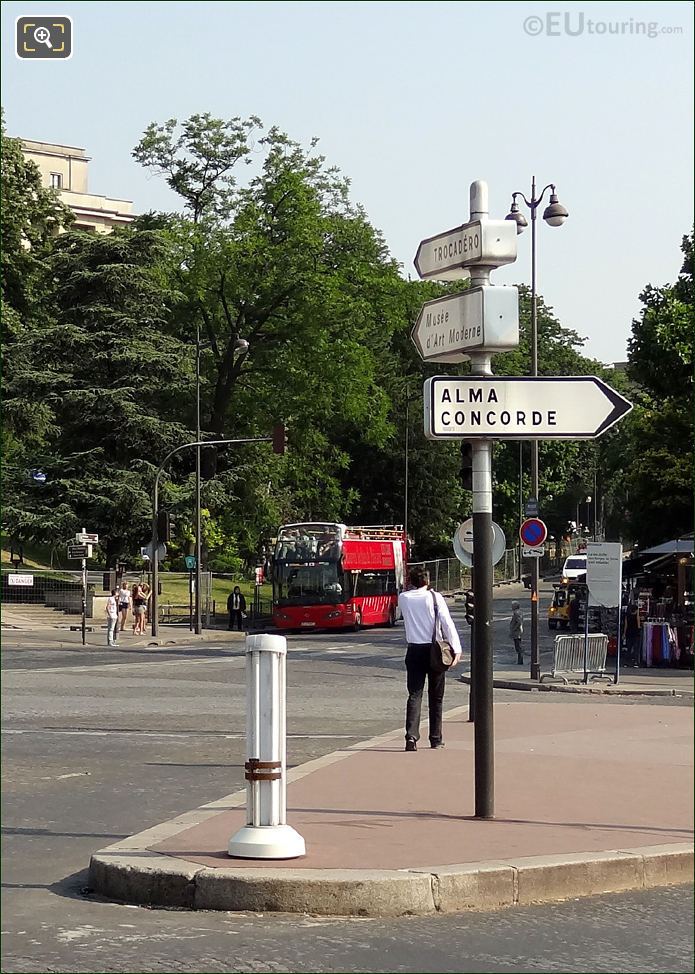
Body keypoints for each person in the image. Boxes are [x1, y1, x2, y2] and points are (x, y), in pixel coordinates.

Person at [397, 568, 462, 752]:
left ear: (411, 581)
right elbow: (447, 623)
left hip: (414, 650)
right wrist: (456, 649)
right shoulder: (434, 597)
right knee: (436, 697)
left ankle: (411, 737)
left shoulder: (404, 598)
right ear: (427, 580)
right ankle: (435, 738)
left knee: (414, 694)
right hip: (434, 651)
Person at [623, 600, 642, 667]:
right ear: (636, 610)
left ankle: (626, 663)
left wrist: (624, 634)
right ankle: (636, 663)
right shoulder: (637, 616)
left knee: (629, 648)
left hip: (629, 633)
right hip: (636, 634)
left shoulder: (627, 616)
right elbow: (638, 625)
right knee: (636, 649)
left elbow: (626, 625)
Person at [510, 600, 524, 665]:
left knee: (518, 646)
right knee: (518, 646)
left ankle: (520, 661)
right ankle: (520, 660)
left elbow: (519, 622)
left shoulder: (517, 613)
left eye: (512, 605)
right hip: (518, 632)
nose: (511, 607)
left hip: (517, 632)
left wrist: (514, 629)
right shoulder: (518, 612)